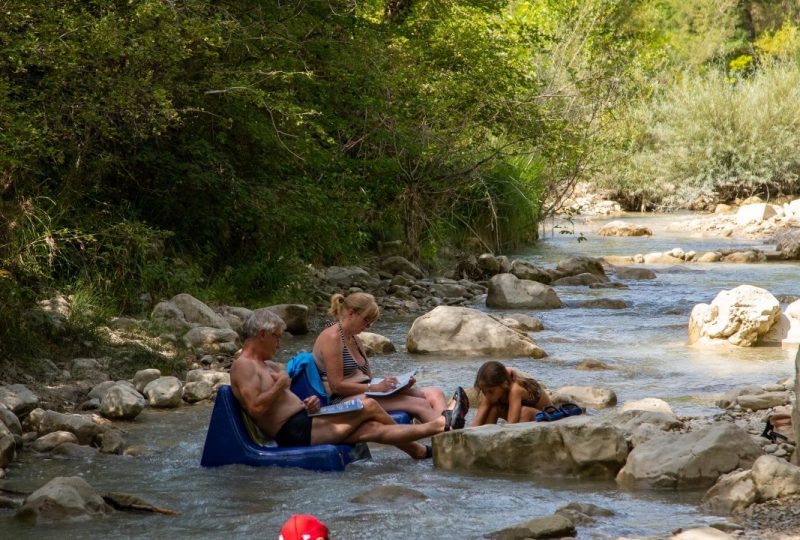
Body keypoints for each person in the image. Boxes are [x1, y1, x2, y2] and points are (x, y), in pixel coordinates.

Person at [230, 309, 467, 461]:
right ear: (262, 333)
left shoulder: (267, 365)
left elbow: (278, 403)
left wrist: (307, 403)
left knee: (372, 429)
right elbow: (256, 409)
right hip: (294, 431)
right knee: (369, 405)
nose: (279, 344)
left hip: (306, 419)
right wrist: (281, 385)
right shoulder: (244, 366)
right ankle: (439, 426)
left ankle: (424, 448)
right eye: (277, 337)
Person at [312, 292, 447, 422]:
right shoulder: (332, 338)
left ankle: (452, 432)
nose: (367, 327)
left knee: (435, 393)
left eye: (371, 323)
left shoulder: (355, 339)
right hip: (341, 399)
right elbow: (336, 387)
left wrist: (400, 386)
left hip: (366, 391)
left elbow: (368, 379)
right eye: (366, 321)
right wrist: (375, 388)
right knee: (419, 404)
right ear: (351, 313)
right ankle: (450, 437)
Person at [470, 360, 553, 427]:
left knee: (524, 412)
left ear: (504, 384)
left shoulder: (515, 390)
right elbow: (476, 422)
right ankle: (488, 438)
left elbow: (512, 424)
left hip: (549, 418)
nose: (487, 396)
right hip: (532, 418)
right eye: (484, 392)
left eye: (490, 392)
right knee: (494, 409)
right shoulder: (492, 389)